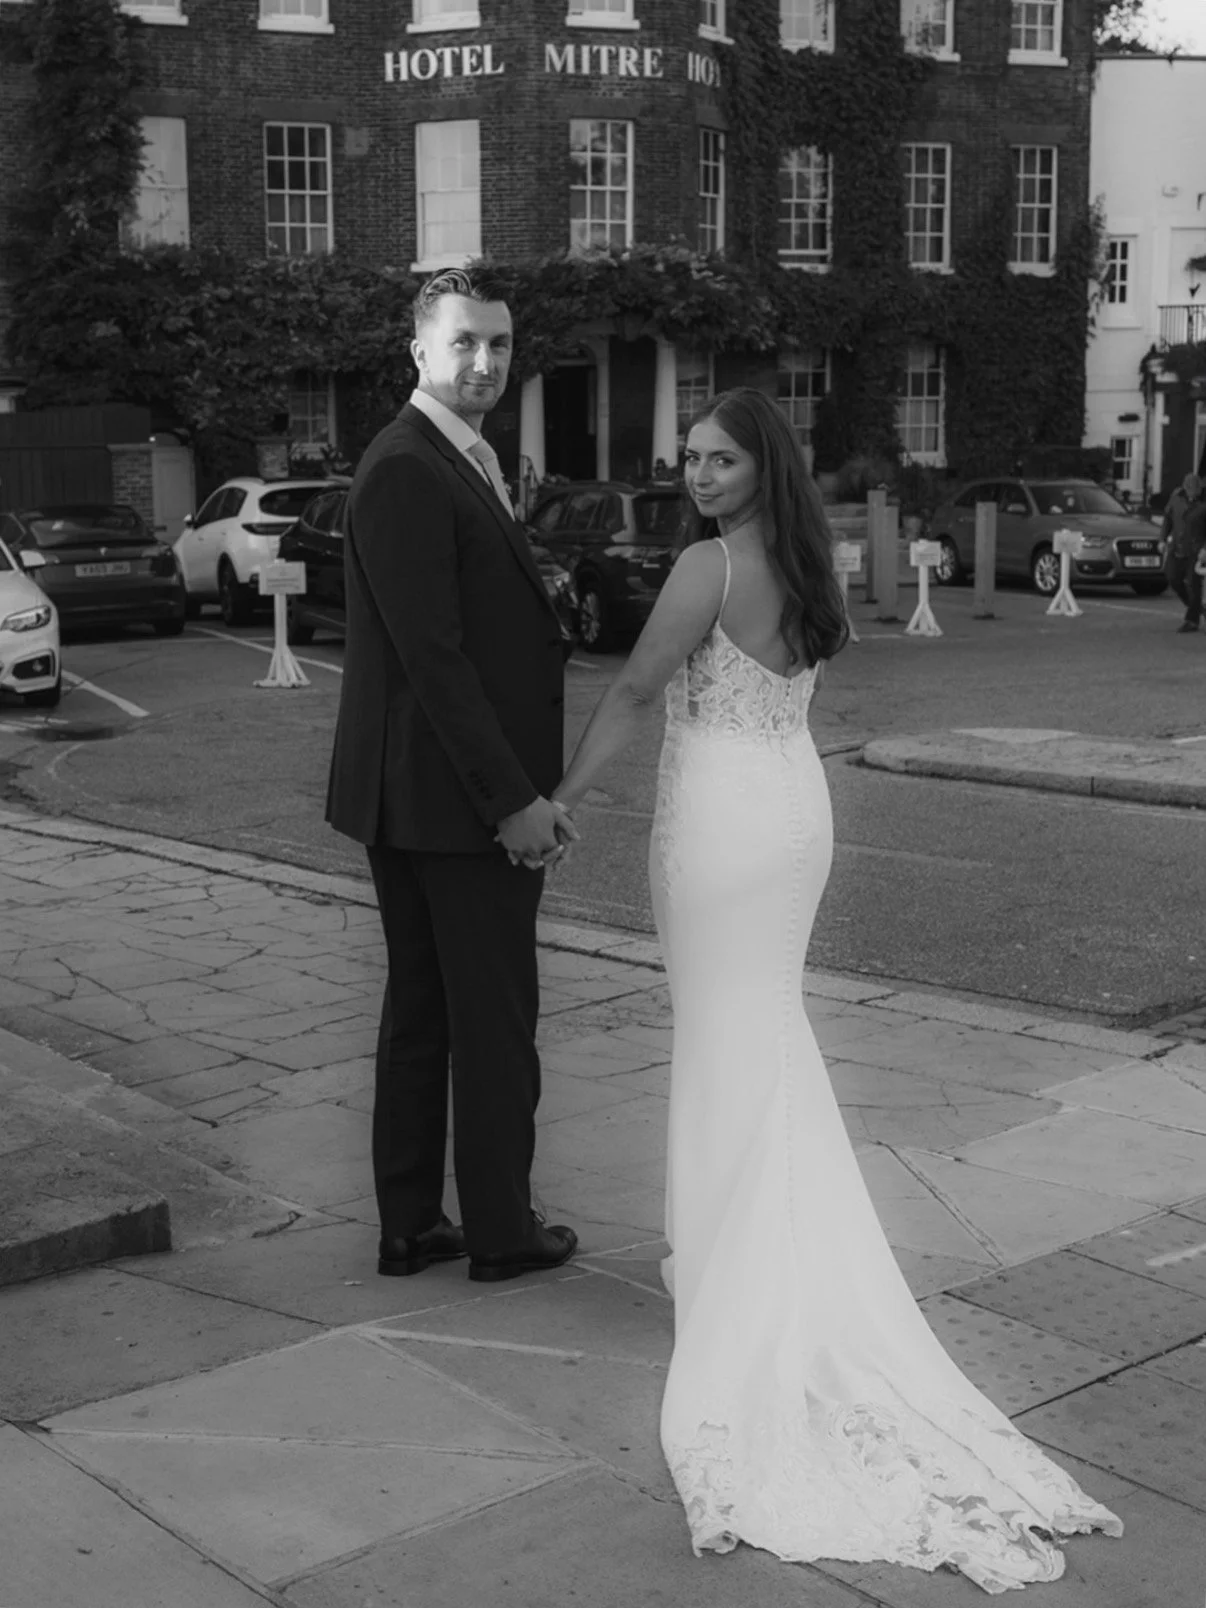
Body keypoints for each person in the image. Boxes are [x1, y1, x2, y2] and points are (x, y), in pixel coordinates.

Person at [552, 387, 1122, 1593]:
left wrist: (561, 803)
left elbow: (636, 692)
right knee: (764, 1032)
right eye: (690, 459)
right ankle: (747, 1249)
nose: (697, 476)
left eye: (717, 460)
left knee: (722, 1036)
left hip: (720, 822)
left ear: (759, 467)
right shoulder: (821, 566)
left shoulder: (708, 569)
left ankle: (727, 1275)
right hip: (795, 810)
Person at [325, 264, 578, 1285]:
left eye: (501, 344)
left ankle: (411, 1223)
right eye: (466, 342)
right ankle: (502, 1233)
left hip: (421, 798)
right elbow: (433, 659)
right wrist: (512, 801)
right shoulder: (405, 467)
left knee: (426, 1014)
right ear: (419, 351)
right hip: (450, 804)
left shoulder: (452, 457)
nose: (486, 361)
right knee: (490, 1017)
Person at [1161, 471, 1204, 631]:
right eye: (1190, 488)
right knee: (1173, 578)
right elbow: (1167, 520)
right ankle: (1198, 608)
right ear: (1185, 488)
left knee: (1194, 585)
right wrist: (1162, 539)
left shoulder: (1203, 504)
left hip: (1196, 550)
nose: (1193, 491)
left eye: (1196, 488)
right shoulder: (1175, 499)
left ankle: (1192, 621)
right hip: (1177, 547)